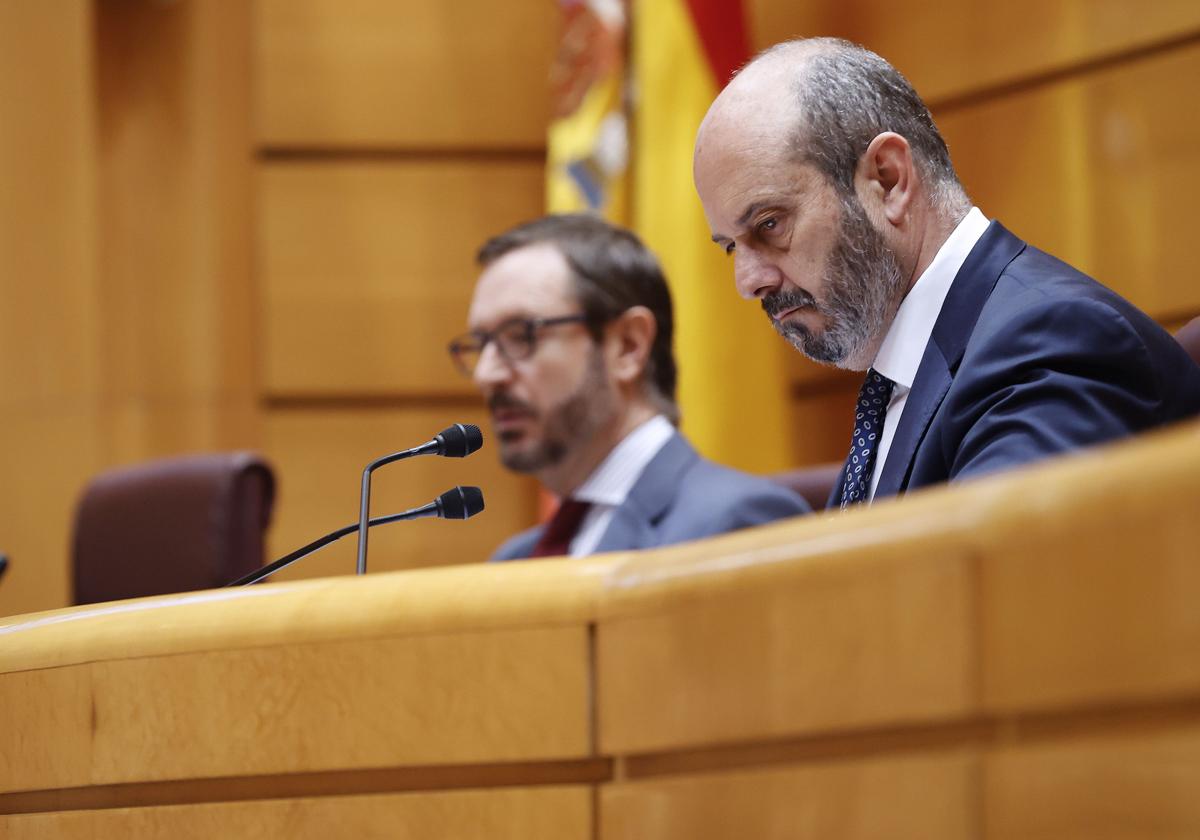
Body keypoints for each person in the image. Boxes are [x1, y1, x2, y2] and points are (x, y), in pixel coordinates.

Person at [693, 38, 1200, 508]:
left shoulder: (1053, 345)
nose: (748, 281)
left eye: (769, 224)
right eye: (730, 248)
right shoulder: (904, 379)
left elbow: (989, 591)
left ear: (888, 181)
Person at [449, 214, 810, 560]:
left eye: (519, 336)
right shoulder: (515, 562)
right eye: (481, 344)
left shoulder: (737, 528)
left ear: (628, 345)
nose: (486, 374)